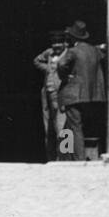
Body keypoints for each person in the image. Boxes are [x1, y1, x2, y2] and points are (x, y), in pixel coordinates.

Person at [56, 20, 105, 161]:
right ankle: (64, 155)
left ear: (73, 37)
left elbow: (61, 63)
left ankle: (79, 159)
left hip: (74, 95)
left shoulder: (73, 51)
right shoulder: (94, 51)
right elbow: (103, 52)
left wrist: (66, 76)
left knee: (75, 127)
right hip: (92, 96)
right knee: (68, 127)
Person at [32, 31, 66, 162]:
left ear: (64, 43)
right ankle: (51, 157)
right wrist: (47, 68)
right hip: (47, 93)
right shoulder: (49, 53)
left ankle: (65, 156)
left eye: (59, 43)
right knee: (49, 126)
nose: (56, 46)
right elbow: (36, 60)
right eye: (54, 43)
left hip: (61, 93)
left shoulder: (69, 54)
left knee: (63, 126)